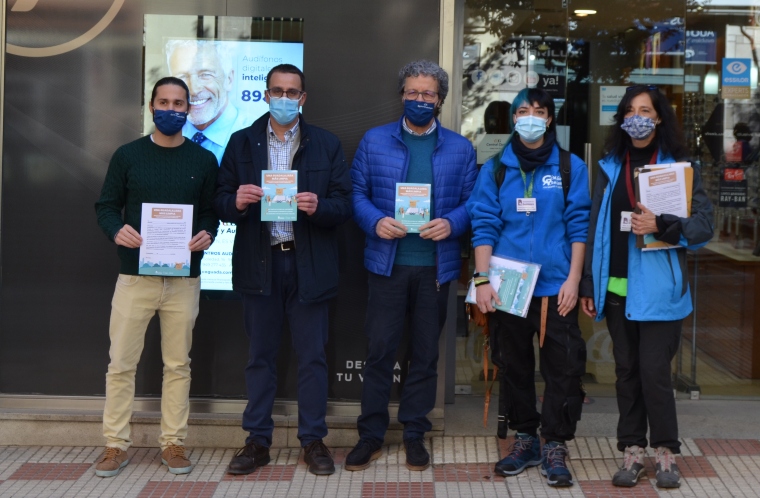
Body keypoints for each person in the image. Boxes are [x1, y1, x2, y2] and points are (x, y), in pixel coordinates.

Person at [213, 64, 352, 477]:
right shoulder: (241, 143)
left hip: (309, 264)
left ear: (303, 99)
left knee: (313, 358)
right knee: (260, 357)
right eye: (277, 91)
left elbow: (344, 204)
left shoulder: (325, 144)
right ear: (266, 94)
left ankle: (313, 441)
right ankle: (257, 441)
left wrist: (319, 206)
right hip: (261, 263)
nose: (285, 98)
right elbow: (219, 201)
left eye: (293, 92)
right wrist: (236, 201)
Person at [579, 85, 714, 489]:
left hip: (658, 292)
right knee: (626, 373)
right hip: (616, 289)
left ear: (658, 118)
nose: (637, 116)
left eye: (646, 110)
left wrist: (662, 225)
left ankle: (666, 453)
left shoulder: (681, 168)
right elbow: (594, 229)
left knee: (655, 372)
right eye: (630, 110)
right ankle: (632, 451)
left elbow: (704, 228)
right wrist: (589, 282)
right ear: (622, 118)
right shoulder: (607, 167)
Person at [348, 59, 477, 472]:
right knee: (380, 351)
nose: (419, 100)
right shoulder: (374, 140)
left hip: (436, 269)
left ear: (439, 100)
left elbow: (475, 203)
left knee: (425, 354)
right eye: (412, 92)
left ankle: (415, 434)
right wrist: (375, 220)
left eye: (428, 94)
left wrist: (453, 222)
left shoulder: (460, 147)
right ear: (401, 95)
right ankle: (370, 434)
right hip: (387, 264)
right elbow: (356, 192)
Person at [93, 77, 219, 477]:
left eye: (179, 103)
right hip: (135, 277)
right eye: (163, 102)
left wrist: (208, 233)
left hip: (183, 279)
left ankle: (174, 443)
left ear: (188, 109)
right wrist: (116, 229)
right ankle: (115, 445)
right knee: (121, 365)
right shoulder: (127, 155)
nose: (171, 109)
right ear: (151, 107)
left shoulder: (203, 161)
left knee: (178, 364)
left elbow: (210, 212)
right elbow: (106, 206)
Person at [467, 87, 591, 488]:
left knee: (564, 369)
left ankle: (555, 442)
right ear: (513, 119)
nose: (531, 116)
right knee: (514, 365)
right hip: (508, 286)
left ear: (550, 119)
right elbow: (483, 224)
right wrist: (482, 279)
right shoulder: (495, 169)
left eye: (539, 111)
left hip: (557, 286)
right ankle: (525, 438)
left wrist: (573, 280)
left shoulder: (571, 167)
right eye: (523, 111)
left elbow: (578, 226)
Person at [166, 40, 250, 164]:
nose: (193, 90)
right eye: (182, 77)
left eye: (205, 74)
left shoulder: (255, 137)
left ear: (229, 79)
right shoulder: (165, 134)